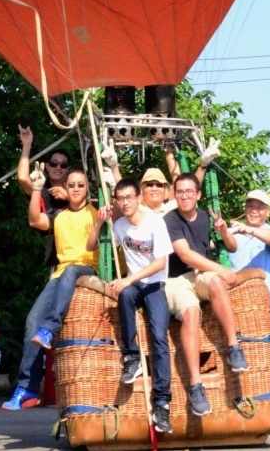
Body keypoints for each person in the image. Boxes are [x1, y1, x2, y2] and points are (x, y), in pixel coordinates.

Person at [3, 166, 109, 410]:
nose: (75, 189)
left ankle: (51, 328)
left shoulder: (96, 212)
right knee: (31, 322)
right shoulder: (59, 216)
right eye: (71, 185)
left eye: (80, 185)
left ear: (87, 189)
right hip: (60, 276)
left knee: (71, 270)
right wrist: (36, 190)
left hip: (86, 271)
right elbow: (34, 220)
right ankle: (27, 388)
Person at [163, 173, 248, 417]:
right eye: (180, 192)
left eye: (190, 191)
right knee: (191, 313)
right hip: (176, 279)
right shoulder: (170, 220)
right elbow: (185, 255)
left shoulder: (205, 218)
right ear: (175, 195)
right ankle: (195, 385)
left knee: (216, 284)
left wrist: (222, 232)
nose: (185, 196)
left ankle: (233, 347)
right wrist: (220, 268)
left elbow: (232, 247)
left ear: (198, 195)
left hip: (200, 273)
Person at [106, 177, 174, 434]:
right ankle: (131, 357)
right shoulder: (119, 226)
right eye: (120, 199)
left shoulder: (155, 223)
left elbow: (160, 264)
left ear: (138, 198)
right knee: (124, 296)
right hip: (133, 287)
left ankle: (162, 401)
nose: (125, 203)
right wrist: (102, 220)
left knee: (159, 337)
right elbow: (97, 244)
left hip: (154, 284)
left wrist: (129, 279)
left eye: (129, 198)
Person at [16, 125, 71, 269]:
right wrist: (26, 144)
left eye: (63, 165)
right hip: (56, 254)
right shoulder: (41, 188)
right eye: (54, 164)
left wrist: (69, 197)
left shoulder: (77, 188)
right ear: (47, 166)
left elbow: (94, 206)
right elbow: (22, 178)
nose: (58, 168)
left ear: (68, 169)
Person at [228, 189, 270, 316]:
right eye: (250, 206)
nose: (254, 211)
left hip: (263, 306)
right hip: (235, 304)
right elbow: (209, 244)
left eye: (260, 208)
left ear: (268, 212)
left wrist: (250, 230)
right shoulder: (232, 232)